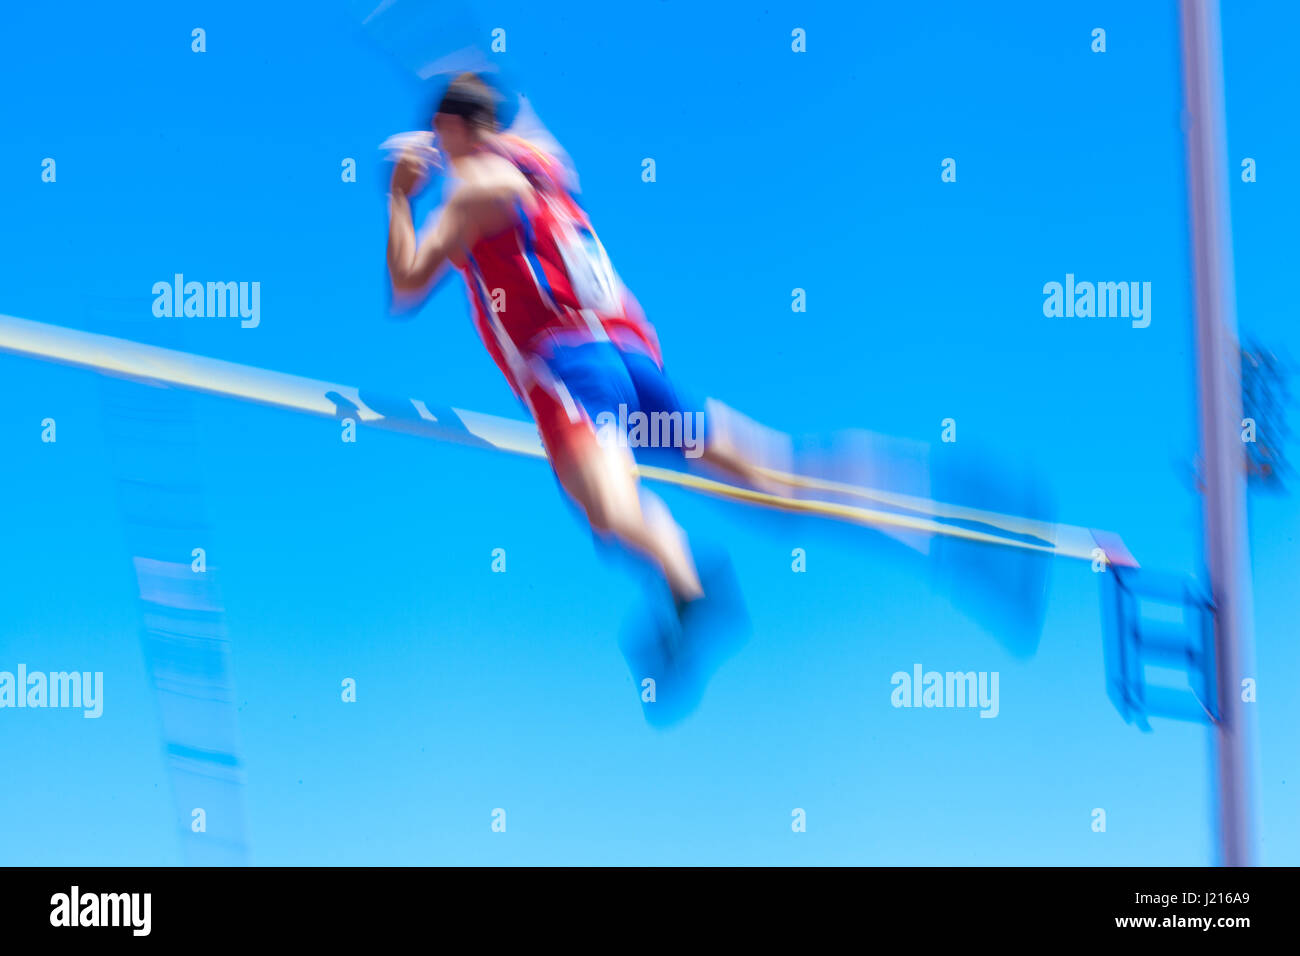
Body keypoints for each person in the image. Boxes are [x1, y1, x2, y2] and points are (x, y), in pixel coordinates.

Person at [386, 74, 773, 722]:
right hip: (634, 357)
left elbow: (406, 282)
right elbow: (524, 126)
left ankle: (690, 585)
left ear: (454, 129)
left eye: (439, 130)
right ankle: (687, 588)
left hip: (568, 365)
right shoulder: (544, 162)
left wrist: (399, 196)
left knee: (610, 508)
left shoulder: (472, 189)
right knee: (716, 479)